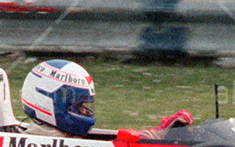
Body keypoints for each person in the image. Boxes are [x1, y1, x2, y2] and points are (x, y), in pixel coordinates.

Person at [18, 59, 193, 137]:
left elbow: (118, 143)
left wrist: (161, 133)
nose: (86, 111)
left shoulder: (64, 139)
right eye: (79, 106)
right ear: (50, 102)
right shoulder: (39, 146)